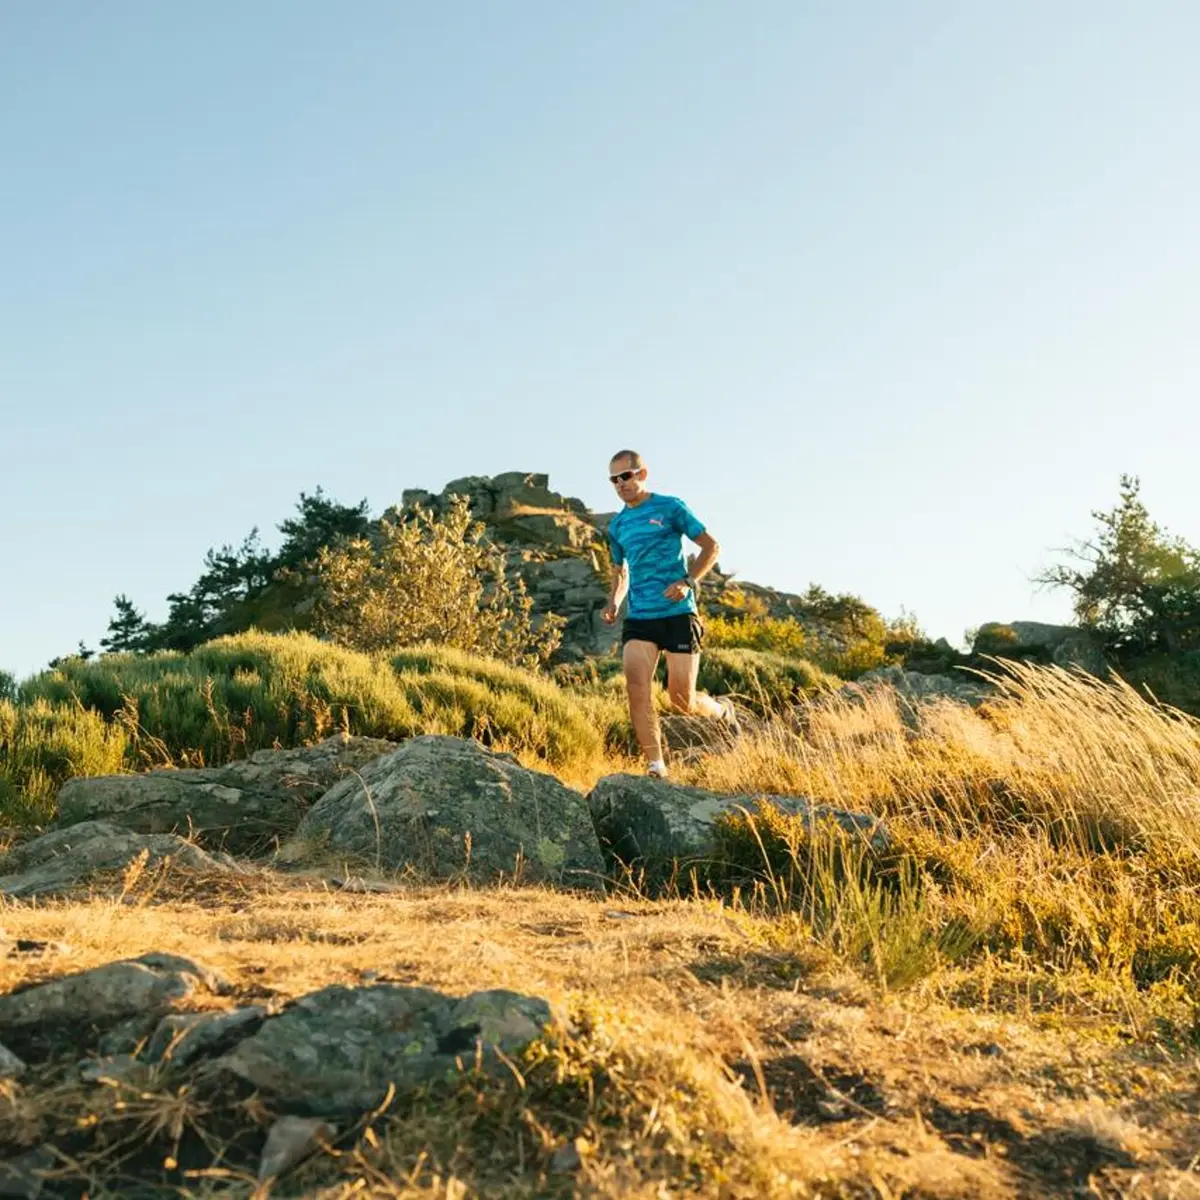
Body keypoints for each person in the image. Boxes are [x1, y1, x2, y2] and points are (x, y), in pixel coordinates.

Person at [601, 449, 738, 777]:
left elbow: (711, 546)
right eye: (614, 480)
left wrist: (688, 581)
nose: (621, 484)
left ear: (641, 474)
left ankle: (721, 712)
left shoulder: (670, 507)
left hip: (678, 614)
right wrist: (614, 602)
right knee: (637, 688)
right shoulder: (617, 526)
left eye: (626, 476)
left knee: (682, 702)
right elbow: (620, 572)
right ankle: (656, 766)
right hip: (640, 619)